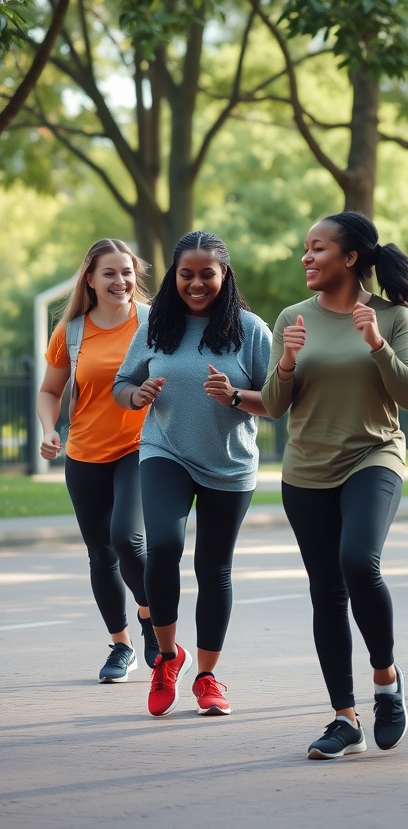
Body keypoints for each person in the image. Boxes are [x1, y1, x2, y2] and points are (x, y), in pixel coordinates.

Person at [261, 211, 408, 760]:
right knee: (325, 591)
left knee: (359, 561)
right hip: (306, 469)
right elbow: (276, 407)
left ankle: (386, 679)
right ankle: (344, 717)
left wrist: (377, 342)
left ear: (350, 258)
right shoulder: (291, 318)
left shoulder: (391, 316)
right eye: (305, 249)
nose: (306, 258)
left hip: (373, 455)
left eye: (318, 248)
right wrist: (285, 360)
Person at [113, 230, 272, 719]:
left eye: (208, 274)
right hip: (166, 451)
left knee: (213, 568)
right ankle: (166, 656)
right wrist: (135, 396)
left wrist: (235, 396)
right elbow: (123, 382)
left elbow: (277, 403)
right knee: (162, 544)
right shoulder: (157, 326)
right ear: (173, 277)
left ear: (224, 276)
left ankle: (206, 675)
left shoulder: (250, 330)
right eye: (187, 274)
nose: (197, 283)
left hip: (229, 463)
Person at [37, 238, 158, 683]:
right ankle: (121, 643)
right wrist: (49, 430)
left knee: (127, 539)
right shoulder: (71, 332)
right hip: (84, 452)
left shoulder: (152, 323)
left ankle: (150, 617)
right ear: (90, 278)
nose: (120, 281)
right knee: (100, 554)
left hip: (140, 447)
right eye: (109, 273)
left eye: (126, 272)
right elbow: (50, 392)